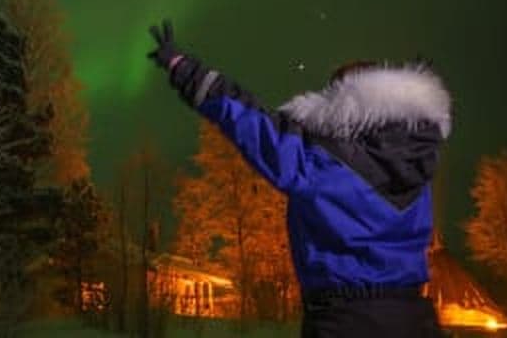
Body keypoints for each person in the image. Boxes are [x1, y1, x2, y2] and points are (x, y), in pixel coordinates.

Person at [147, 19, 448, 337]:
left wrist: (183, 68)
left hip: (345, 320)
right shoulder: (418, 163)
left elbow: (248, 121)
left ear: (342, 102)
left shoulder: (319, 160)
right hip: (415, 318)